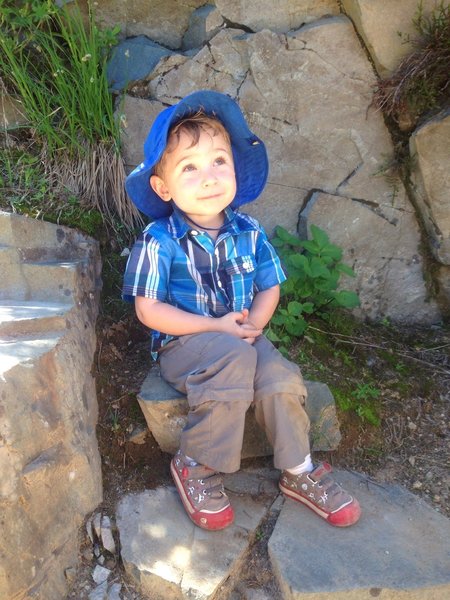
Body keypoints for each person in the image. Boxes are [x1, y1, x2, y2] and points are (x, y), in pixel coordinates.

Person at [122, 90, 361, 531]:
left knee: (279, 377)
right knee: (233, 360)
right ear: (162, 186)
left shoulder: (248, 230)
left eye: (219, 161)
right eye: (189, 168)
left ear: (234, 167)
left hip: (242, 334)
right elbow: (148, 310)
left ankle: (299, 469)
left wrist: (253, 327)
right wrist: (215, 327)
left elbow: (269, 287)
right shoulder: (159, 240)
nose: (209, 176)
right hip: (185, 343)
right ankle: (197, 464)